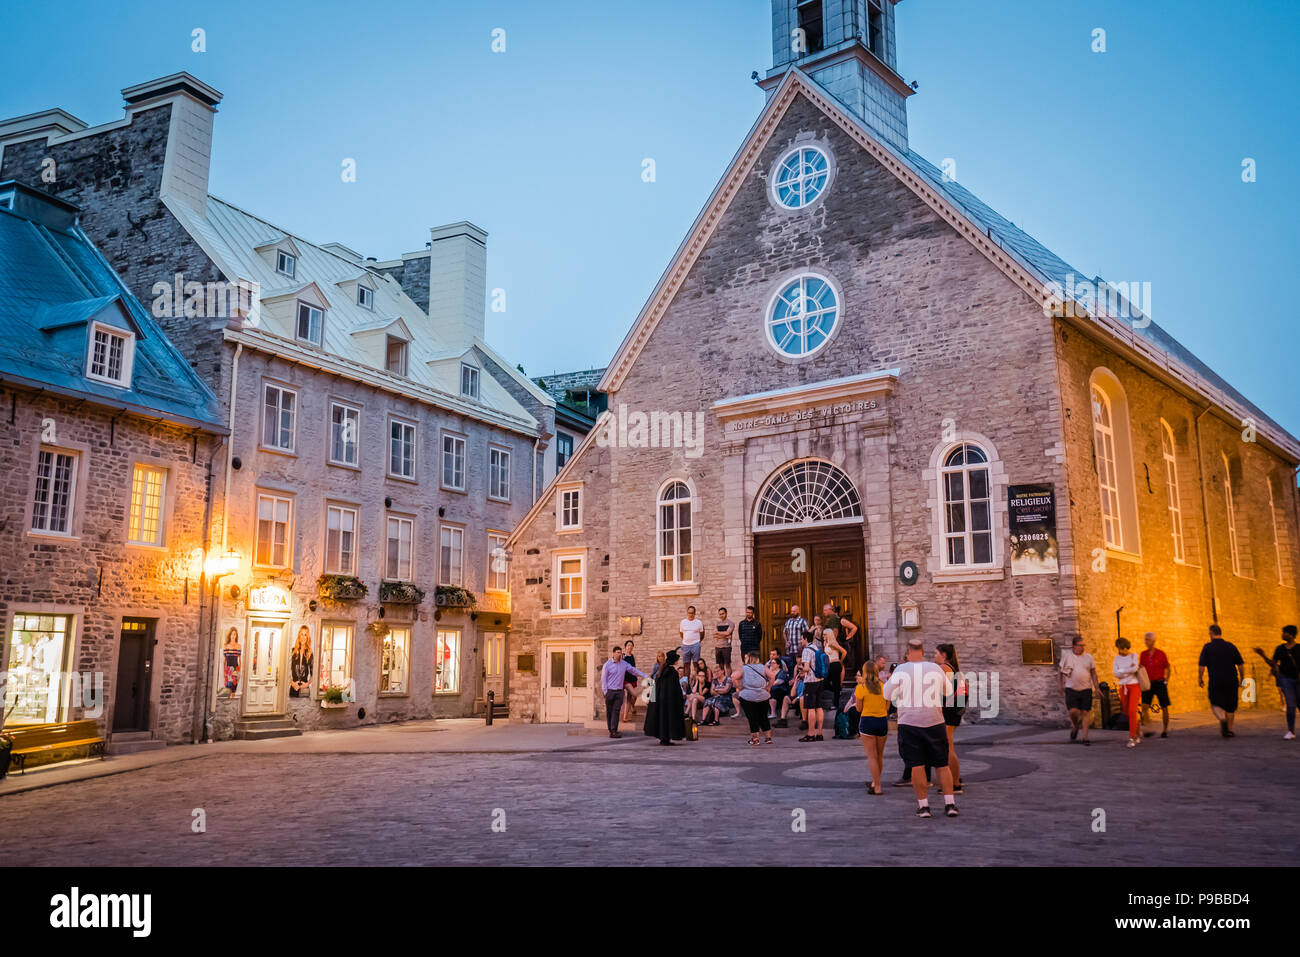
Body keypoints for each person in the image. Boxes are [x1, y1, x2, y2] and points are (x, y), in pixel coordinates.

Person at [883, 638, 958, 818]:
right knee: (941, 764)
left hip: (909, 722)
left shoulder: (901, 669)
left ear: (908, 652)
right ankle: (950, 804)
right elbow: (948, 691)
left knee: (917, 764)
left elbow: (886, 693)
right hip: (934, 719)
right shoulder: (934, 668)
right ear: (923, 651)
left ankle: (924, 806)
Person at [1198, 624, 1244, 738]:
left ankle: (1222, 719)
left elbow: (1201, 666)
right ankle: (1230, 730)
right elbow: (1240, 664)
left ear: (1211, 633)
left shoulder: (1207, 647)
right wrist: (1242, 678)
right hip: (1232, 679)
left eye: (1209, 633)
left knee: (1215, 703)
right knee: (1230, 706)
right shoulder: (1231, 646)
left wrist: (1200, 678)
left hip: (1216, 680)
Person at [1058, 636, 1100, 745]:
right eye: (1080, 645)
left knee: (1085, 712)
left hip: (1086, 689)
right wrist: (1060, 685)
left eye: (1083, 645)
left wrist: (1096, 686)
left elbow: (1093, 673)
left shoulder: (1088, 657)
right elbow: (1060, 672)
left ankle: (1085, 738)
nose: (1082, 647)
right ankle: (1076, 725)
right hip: (1071, 688)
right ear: (1074, 646)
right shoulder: (1067, 657)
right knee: (1073, 712)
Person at [935, 643, 965, 794]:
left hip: (947, 712)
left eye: (936, 653)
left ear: (944, 655)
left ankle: (955, 783)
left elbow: (940, 690)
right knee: (948, 746)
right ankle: (955, 779)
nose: (934, 656)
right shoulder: (953, 668)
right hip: (953, 711)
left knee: (948, 748)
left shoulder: (944, 668)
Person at [599, 644, 648, 738]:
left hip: (619, 692)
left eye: (620, 653)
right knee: (609, 711)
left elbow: (633, 671)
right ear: (613, 653)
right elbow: (603, 679)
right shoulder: (607, 665)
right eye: (617, 653)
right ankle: (611, 729)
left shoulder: (624, 664)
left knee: (616, 711)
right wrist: (605, 692)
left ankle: (614, 730)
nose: (619, 655)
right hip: (610, 691)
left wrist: (644, 675)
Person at [856, 664, 889, 795]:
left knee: (872, 757)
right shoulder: (884, 687)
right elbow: (887, 707)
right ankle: (876, 782)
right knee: (879, 755)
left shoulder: (861, 688)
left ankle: (878, 786)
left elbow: (858, 708)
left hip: (867, 721)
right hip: (881, 721)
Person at [644, 650, 687, 745]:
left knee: (662, 717)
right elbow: (675, 688)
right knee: (667, 718)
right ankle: (665, 738)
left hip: (661, 699)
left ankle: (663, 738)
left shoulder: (662, 670)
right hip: (669, 700)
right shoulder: (672, 672)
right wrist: (680, 698)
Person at [1267, 625, 1300, 739]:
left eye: (1284, 632)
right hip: (1286, 679)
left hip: (1298, 679)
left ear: (1290, 635)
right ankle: (1291, 731)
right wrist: (1262, 655)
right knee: (1290, 704)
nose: (1282, 634)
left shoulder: (1299, 648)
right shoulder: (1280, 649)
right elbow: (1273, 663)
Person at [734, 652, 774, 746]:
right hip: (763, 696)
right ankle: (768, 738)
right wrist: (768, 687)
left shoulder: (745, 668)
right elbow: (772, 676)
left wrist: (739, 687)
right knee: (764, 716)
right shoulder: (763, 667)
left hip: (748, 696)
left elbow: (733, 676)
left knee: (752, 718)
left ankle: (755, 739)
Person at [1138, 632, 1172, 738]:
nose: (1146, 642)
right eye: (1145, 639)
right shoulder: (1143, 654)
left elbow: (1168, 667)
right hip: (1148, 684)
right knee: (1144, 707)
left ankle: (1165, 730)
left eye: (1148, 639)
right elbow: (1140, 668)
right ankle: (1148, 728)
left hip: (1160, 682)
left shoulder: (1161, 653)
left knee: (1164, 706)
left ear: (1153, 641)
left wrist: (1166, 680)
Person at [1112, 637, 1141, 748]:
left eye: (1122, 649)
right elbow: (1115, 673)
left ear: (1126, 648)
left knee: (1132, 710)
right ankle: (1138, 733)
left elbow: (1134, 669)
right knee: (1127, 712)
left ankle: (1131, 738)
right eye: (1119, 649)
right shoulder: (1117, 659)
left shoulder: (1134, 656)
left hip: (1134, 686)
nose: (1121, 651)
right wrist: (1127, 670)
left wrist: (1122, 671)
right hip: (1123, 686)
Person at [798, 633, 825, 742]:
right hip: (820, 679)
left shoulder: (806, 650)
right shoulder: (816, 648)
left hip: (811, 681)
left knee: (810, 708)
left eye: (801, 639)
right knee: (819, 706)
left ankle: (810, 734)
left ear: (805, 639)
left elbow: (807, 668)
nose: (800, 641)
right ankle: (819, 733)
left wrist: (800, 667)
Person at [822, 625, 848, 721]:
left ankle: (836, 704)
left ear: (829, 635)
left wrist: (840, 662)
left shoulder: (833, 643)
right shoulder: (826, 643)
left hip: (835, 664)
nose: (823, 636)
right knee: (825, 683)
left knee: (835, 684)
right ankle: (838, 690)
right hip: (830, 666)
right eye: (823, 634)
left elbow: (844, 652)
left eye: (825, 634)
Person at [782, 605, 809, 682]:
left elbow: (806, 633)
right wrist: (786, 641)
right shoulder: (789, 621)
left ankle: (801, 683)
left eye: (794, 611)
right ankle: (792, 683)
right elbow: (784, 632)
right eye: (792, 611)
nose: (792, 613)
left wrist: (802, 643)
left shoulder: (803, 621)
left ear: (798, 611)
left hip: (800, 649)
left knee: (800, 667)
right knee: (791, 667)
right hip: (790, 649)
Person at [767, 649, 791, 725]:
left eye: (774, 663)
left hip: (781, 689)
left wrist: (768, 685)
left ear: (778, 665)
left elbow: (779, 682)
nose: (772, 665)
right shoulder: (769, 672)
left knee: (772, 690)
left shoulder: (782, 672)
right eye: (771, 663)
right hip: (772, 687)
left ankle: (773, 712)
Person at [289, 625, 313, 698]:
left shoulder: (309, 653)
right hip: (293, 689)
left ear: (307, 637)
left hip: (304, 690)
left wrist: (307, 684)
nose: (303, 637)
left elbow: (313, 673)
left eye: (305, 635)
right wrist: (292, 683)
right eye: (302, 634)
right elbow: (286, 670)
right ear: (299, 636)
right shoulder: (293, 651)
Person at [621, 640, 640, 722]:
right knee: (628, 697)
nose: (630, 647)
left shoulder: (633, 656)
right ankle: (625, 716)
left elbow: (634, 667)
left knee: (634, 696)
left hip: (632, 678)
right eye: (628, 645)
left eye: (631, 645)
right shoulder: (623, 656)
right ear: (625, 647)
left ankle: (632, 705)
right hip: (625, 679)